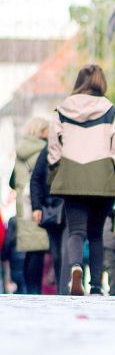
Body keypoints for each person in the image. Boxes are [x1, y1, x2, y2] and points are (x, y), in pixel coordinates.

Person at [49, 65, 115, 296]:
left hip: (72, 179)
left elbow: (53, 150)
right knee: (96, 234)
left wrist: (54, 178)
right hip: (102, 181)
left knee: (76, 231)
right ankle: (96, 286)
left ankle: (75, 268)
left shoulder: (61, 110)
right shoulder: (111, 111)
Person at [12, 117, 50, 294]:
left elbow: (13, 181)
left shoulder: (20, 151)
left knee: (29, 249)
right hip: (36, 203)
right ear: (41, 131)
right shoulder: (42, 150)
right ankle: (35, 291)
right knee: (38, 249)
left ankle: (29, 290)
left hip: (22, 205)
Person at [30, 142, 66, 292]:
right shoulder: (49, 147)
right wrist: (37, 206)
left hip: (71, 206)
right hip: (52, 208)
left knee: (67, 251)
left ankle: (65, 289)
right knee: (57, 254)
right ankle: (62, 289)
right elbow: (36, 178)